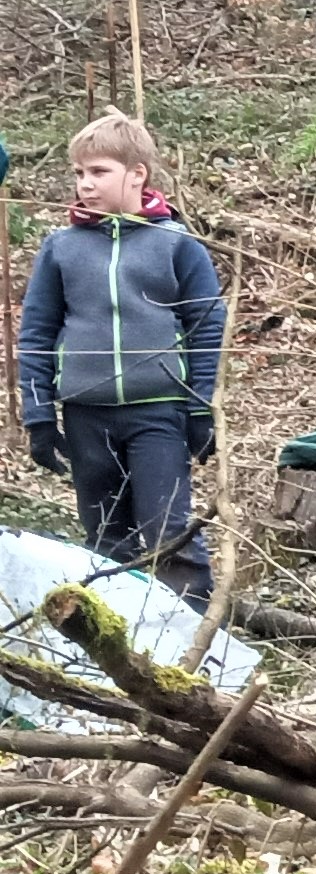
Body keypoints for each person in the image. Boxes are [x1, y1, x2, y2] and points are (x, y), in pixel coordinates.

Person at [16, 110, 224, 607]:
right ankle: (114, 652)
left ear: (137, 174)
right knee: (105, 538)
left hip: (159, 413)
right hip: (86, 415)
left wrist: (200, 408)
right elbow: (38, 331)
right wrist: (40, 414)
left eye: (99, 172)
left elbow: (207, 326)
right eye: (80, 174)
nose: (85, 185)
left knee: (168, 531)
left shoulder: (176, 245)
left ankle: (195, 643)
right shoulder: (61, 248)